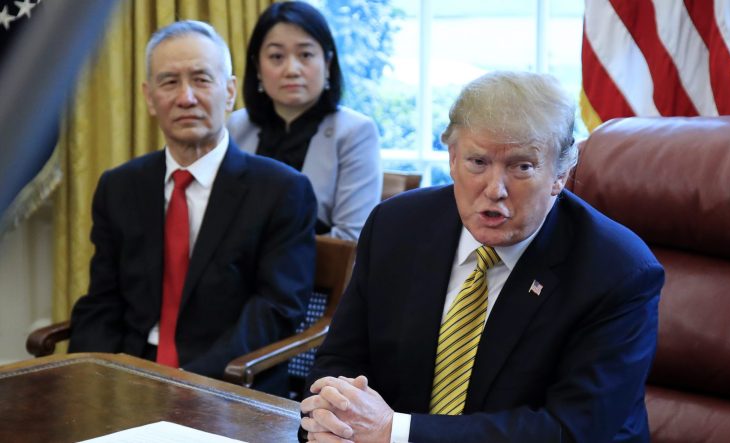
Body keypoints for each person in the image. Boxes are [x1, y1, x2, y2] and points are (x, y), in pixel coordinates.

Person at [300, 71, 664, 442]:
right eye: (478, 162)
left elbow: (570, 430)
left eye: (522, 166)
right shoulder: (396, 226)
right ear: (453, 158)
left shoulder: (617, 272)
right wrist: (333, 421)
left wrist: (395, 432)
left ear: (561, 173)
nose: (495, 189)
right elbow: (338, 361)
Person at [67, 20, 317, 396]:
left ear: (229, 92)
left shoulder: (283, 190)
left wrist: (188, 380)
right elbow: (102, 300)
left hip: (229, 380)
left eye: (201, 79)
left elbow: (276, 310)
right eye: (169, 82)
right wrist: (89, 380)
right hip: (130, 373)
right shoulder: (119, 186)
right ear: (150, 98)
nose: (186, 98)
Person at [227, 1, 381, 242]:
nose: (292, 69)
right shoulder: (236, 127)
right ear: (258, 67)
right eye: (277, 56)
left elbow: (351, 239)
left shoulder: (355, 132)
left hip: (319, 276)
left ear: (327, 63)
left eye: (306, 55)